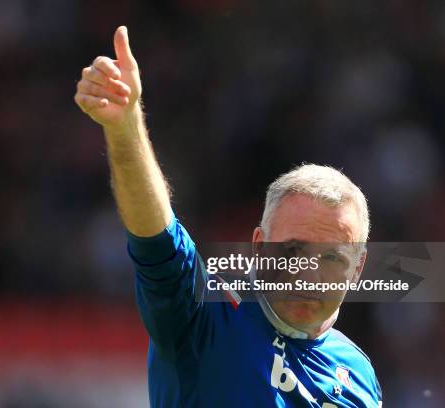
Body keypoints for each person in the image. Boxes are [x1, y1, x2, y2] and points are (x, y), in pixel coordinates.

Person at [74, 26, 382, 408]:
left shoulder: (358, 375)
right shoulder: (205, 317)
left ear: (358, 268)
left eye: (333, 257)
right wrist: (125, 127)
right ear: (258, 246)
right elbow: (156, 238)